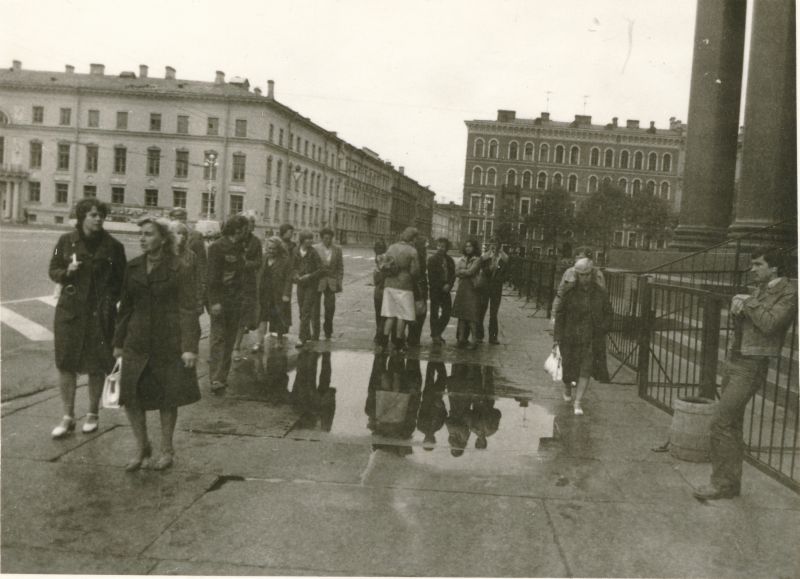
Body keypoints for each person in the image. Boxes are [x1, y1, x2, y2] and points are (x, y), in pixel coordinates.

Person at [694, 247, 797, 501]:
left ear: (774, 268)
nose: (753, 269)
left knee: (721, 421)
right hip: (736, 359)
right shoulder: (760, 289)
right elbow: (750, 322)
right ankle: (730, 483)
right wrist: (739, 308)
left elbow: (771, 324)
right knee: (732, 423)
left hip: (752, 365)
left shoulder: (789, 292)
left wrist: (747, 303)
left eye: (758, 265)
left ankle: (722, 484)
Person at [113, 217, 200, 471]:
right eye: (141, 234)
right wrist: (118, 342)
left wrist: (189, 347)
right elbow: (125, 309)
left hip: (167, 342)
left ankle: (166, 449)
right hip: (136, 340)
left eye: (148, 234)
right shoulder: (133, 267)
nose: (142, 238)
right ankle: (142, 447)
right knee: (131, 396)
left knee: (167, 397)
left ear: (163, 238)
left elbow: (187, 309)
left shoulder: (179, 268)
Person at [48, 199, 126, 438]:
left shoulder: (113, 246)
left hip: (100, 314)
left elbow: (122, 281)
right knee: (66, 363)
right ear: (82, 217)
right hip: (70, 312)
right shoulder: (66, 241)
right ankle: (68, 416)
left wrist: (110, 300)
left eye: (101, 215)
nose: (98, 219)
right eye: (93, 215)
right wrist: (65, 273)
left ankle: (92, 413)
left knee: (96, 365)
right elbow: (52, 269)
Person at [553, 257, 612, 416]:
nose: (584, 278)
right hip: (570, 336)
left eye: (586, 274)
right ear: (576, 274)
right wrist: (557, 336)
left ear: (592, 274)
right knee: (568, 369)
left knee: (586, 369)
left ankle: (578, 402)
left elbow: (608, 314)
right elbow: (560, 314)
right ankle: (567, 386)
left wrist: (602, 328)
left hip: (590, 337)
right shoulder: (569, 291)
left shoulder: (600, 293)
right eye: (580, 274)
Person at [207, 214, 249, 393]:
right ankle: (215, 378)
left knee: (230, 339)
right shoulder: (218, 247)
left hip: (235, 301)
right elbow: (212, 277)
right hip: (221, 300)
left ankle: (222, 376)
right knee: (218, 339)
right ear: (237, 229)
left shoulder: (239, 247)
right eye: (245, 228)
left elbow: (241, 277)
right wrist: (214, 302)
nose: (248, 232)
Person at [378, 227, 420, 352]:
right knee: (402, 315)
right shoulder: (412, 251)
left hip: (389, 284)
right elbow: (415, 271)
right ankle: (398, 342)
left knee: (390, 314)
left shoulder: (391, 247)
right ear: (413, 238)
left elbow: (384, 262)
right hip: (404, 285)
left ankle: (383, 342)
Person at [232, 214, 263, 356]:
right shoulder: (233, 238)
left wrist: (245, 264)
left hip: (248, 281)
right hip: (232, 281)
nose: (252, 225)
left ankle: (236, 347)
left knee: (242, 314)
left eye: (253, 222)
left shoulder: (256, 242)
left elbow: (258, 262)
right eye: (250, 222)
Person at [551, 246, 606, 324]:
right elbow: (560, 295)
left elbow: (602, 298)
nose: (578, 260)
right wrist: (554, 317)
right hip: (570, 315)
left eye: (581, 258)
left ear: (589, 260)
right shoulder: (569, 272)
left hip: (589, 317)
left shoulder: (597, 274)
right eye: (576, 258)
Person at [452, 239, 489, 350]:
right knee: (462, 315)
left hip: (472, 288)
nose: (468, 248)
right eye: (466, 246)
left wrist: (463, 271)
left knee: (472, 316)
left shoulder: (477, 259)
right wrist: (465, 271)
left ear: (474, 248)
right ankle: (461, 339)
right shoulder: (462, 258)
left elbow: (471, 272)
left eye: (470, 246)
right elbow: (456, 272)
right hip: (463, 288)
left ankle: (474, 340)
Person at [168, 207, 207, 311]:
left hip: (188, 284)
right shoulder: (165, 235)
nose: (179, 220)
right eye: (176, 218)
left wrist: (202, 289)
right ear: (170, 219)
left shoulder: (196, 235)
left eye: (182, 218)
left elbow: (201, 262)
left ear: (186, 219)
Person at [257, 236, 293, 343]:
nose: (271, 251)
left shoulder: (284, 261)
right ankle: (259, 342)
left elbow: (288, 279)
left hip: (278, 293)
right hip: (264, 293)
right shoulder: (263, 258)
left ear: (278, 249)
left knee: (278, 316)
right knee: (262, 318)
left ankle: (279, 340)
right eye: (269, 248)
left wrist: (286, 294)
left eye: (274, 248)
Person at [292, 231, 323, 348]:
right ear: (302, 240)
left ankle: (301, 338)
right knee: (301, 310)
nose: (310, 241)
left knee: (305, 310)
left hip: (311, 285)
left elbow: (321, 270)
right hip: (300, 284)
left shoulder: (313, 252)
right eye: (307, 239)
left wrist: (309, 276)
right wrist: (295, 275)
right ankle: (306, 334)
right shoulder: (296, 251)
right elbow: (292, 266)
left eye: (311, 238)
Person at [312, 227, 344, 341]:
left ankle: (328, 331)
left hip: (331, 282)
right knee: (315, 309)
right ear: (321, 238)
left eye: (330, 238)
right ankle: (315, 333)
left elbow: (340, 267)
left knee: (330, 308)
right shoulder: (315, 248)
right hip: (318, 282)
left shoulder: (337, 249)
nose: (328, 240)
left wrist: (339, 282)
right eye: (325, 238)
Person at [478, 238, 509, 345]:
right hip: (485, 287)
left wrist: (499, 279)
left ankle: (493, 337)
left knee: (493, 312)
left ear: (499, 246)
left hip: (496, 288)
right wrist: (491, 268)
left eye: (496, 244)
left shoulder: (504, 259)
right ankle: (479, 335)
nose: (493, 246)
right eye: (492, 243)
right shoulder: (485, 257)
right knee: (481, 310)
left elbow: (506, 274)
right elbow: (482, 271)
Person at [427, 237, 456, 345]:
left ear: (446, 248)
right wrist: (441, 286)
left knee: (447, 312)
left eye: (443, 247)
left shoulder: (450, 260)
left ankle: (437, 332)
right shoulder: (432, 260)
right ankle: (435, 336)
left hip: (446, 289)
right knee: (434, 313)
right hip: (435, 290)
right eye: (438, 246)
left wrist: (449, 284)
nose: (440, 248)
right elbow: (432, 277)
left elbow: (453, 275)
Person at [407, 237, 430, 347]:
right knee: (420, 313)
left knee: (413, 312)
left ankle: (411, 338)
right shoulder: (419, 256)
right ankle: (414, 339)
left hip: (414, 286)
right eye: (425, 246)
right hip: (419, 287)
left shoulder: (414, 255)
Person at [278, 223, 296, 332]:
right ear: (283, 232)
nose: (292, 234)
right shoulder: (278, 244)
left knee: (286, 301)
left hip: (288, 275)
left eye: (292, 232)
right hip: (279, 275)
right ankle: (277, 328)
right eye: (290, 232)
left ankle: (284, 327)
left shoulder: (293, 245)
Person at [372, 240, 388, 343]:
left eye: (380, 249)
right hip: (381, 288)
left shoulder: (381, 258)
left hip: (381, 288)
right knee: (383, 313)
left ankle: (380, 334)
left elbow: (381, 274)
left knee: (380, 313)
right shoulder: (381, 258)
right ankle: (380, 333)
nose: (379, 251)